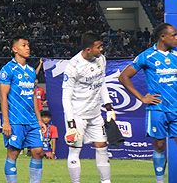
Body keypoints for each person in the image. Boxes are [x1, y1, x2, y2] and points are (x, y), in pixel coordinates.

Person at [119, 23, 177, 183]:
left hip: (176, 108)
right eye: (174, 35)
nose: (176, 38)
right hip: (157, 108)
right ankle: (159, 181)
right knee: (159, 145)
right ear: (162, 37)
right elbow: (123, 77)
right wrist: (142, 98)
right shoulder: (147, 56)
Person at [62, 31, 114, 183]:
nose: (102, 49)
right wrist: (71, 123)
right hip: (77, 115)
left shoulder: (101, 59)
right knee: (75, 150)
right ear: (88, 49)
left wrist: (109, 106)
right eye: (99, 47)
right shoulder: (73, 66)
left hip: (95, 114)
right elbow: (66, 96)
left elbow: (101, 82)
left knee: (102, 146)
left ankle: (106, 181)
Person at [0, 36, 45, 183]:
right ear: (15, 49)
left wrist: (39, 120)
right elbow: (3, 96)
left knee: (38, 152)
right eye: (24, 45)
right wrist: (6, 121)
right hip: (15, 120)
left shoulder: (31, 71)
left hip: (31, 120)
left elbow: (32, 98)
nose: (27, 48)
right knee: (14, 153)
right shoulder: (7, 69)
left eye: (28, 45)